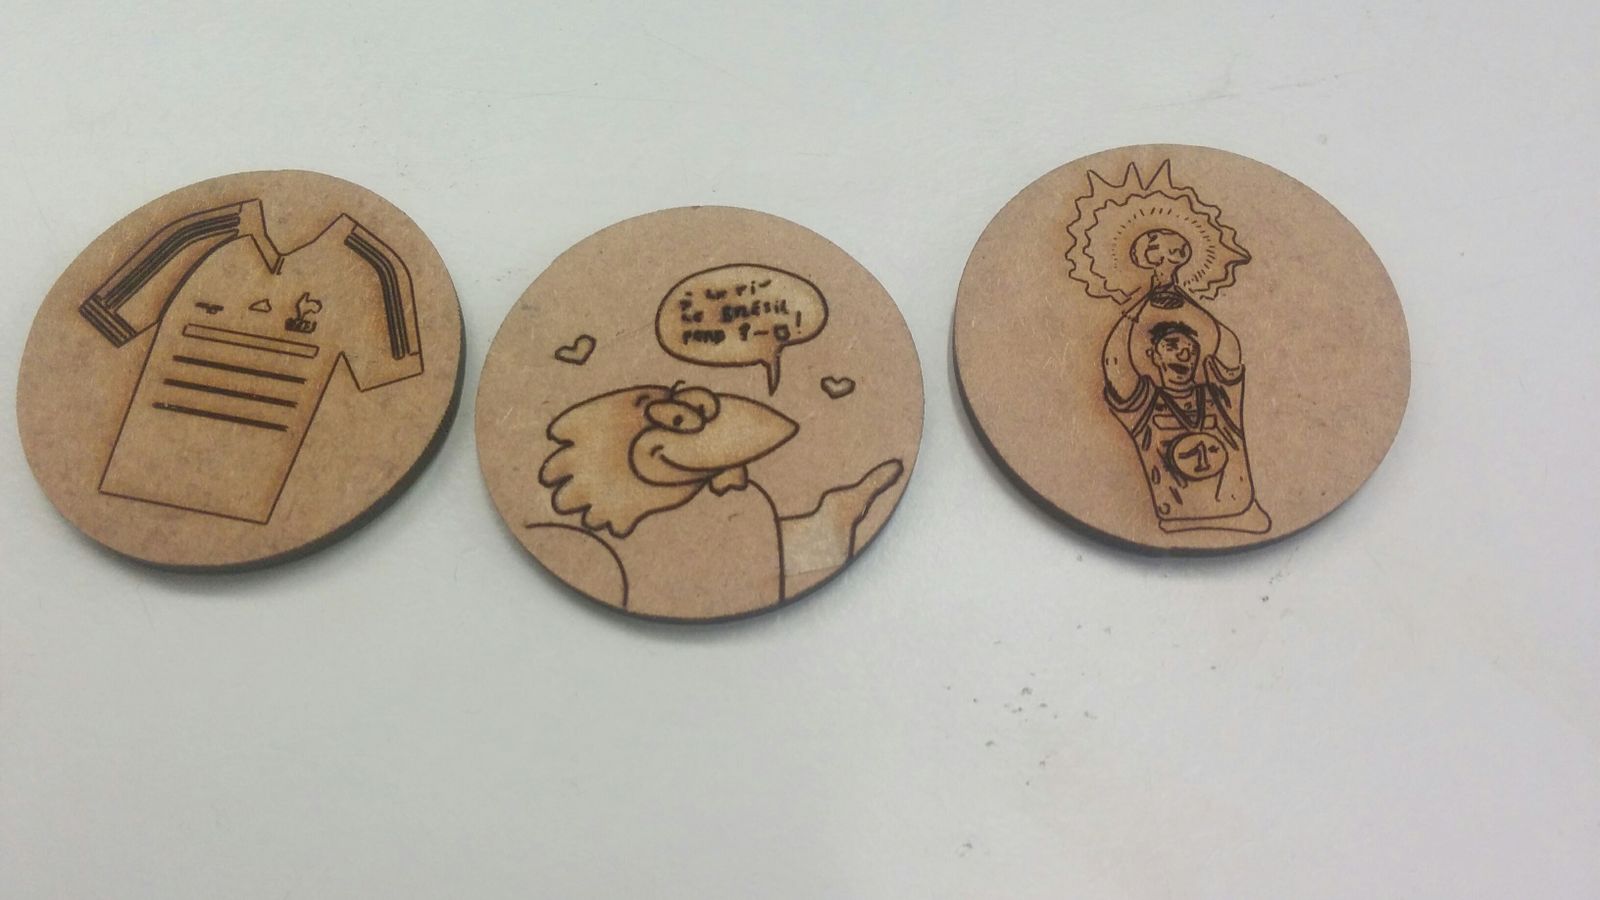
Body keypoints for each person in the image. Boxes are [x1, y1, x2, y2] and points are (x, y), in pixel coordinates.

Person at [1101, 229, 1270, 534]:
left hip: (1241, 516)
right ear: (1153, 356)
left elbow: (1230, 349)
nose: (1184, 353)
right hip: (1176, 522)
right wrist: (1145, 302)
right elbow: (1115, 364)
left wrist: (1179, 294)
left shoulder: (1220, 398)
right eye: (1171, 346)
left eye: (1190, 348)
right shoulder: (1145, 409)